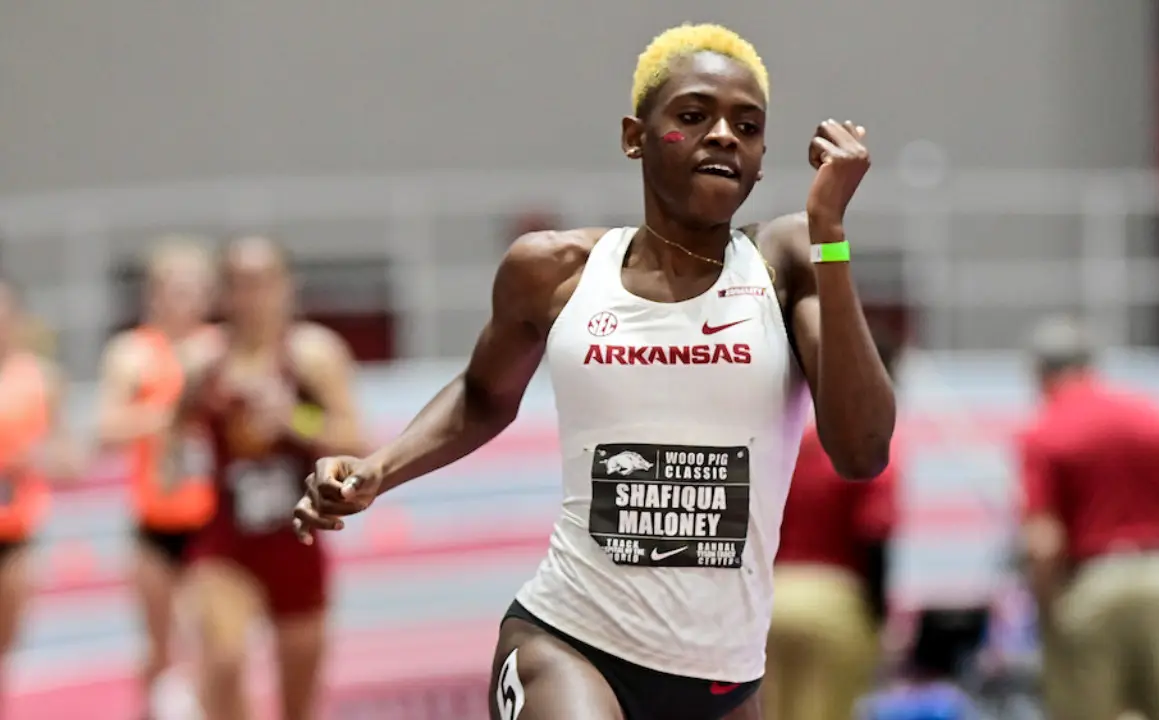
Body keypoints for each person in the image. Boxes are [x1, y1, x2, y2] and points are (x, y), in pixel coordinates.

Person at [294, 22, 896, 720]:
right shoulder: (554, 272)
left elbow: (862, 451)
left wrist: (831, 237)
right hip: (570, 639)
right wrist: (379, 468)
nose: (725, 135)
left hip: (723, 681)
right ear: (634, 136)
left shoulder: (786, 261)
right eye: (694, 116)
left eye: (748, 125)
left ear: (762, 158)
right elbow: (481, 397)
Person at [176, 236, 364, 720]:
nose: (249, 296)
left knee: (298, 704)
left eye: (261, 283)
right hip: (227, 543)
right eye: (237, 284)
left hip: (296, 542)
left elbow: (357, 442)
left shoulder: (313, 354)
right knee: (223, 661)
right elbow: (170, 428)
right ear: (223, 293)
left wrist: (295, 420)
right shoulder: (202, 360)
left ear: (285, 287)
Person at [1017, 316, 1159, 720]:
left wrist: (1047, 615)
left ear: (1041, 374)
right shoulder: (1154, 416)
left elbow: (1044, 542)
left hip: (1090, 587)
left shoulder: (1044, 431)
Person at [95, 237, 222, 716]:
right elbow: (107, 429)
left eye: (194, 289)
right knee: (158, 647)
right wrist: (169, 416)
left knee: (213, 644)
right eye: (174, 288)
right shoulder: (132, 353)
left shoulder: (218, 349)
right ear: (155, 293)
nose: (183, 299)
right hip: (155, 522)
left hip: (211, 520)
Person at [765, 329, 902, 720]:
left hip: (768, 602)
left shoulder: (782, 439)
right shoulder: (865, 451)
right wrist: (879, 618)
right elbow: (875, 538)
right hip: (835, 603)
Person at [0, 278, 79, 703]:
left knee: (6, 640)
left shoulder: (42, 379)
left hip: (17, 528)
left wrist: (35, 459)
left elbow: (70, 458)